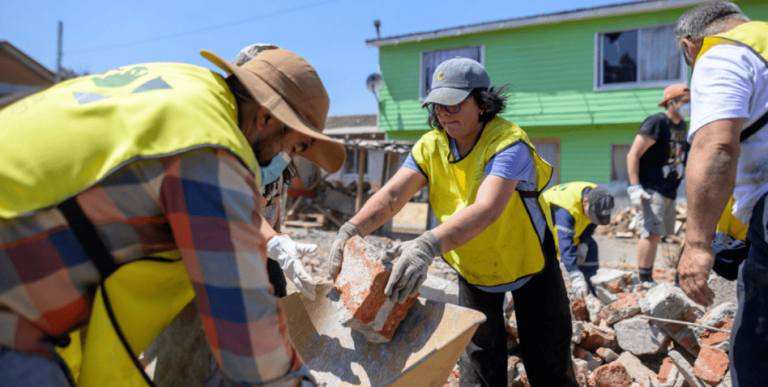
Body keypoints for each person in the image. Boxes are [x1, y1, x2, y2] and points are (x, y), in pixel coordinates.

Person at [0, 47, 346, 386]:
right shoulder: (211, 148)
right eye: (294, 147)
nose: (288, 158)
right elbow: (245, 331)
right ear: (266, 117)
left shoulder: (185, 90)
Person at [328, 58, 577, 387]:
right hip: (474, 265)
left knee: (549, 361)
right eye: (438, 105)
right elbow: (391, 197)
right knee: (479, 363)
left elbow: (487, 209)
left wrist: (426, 246)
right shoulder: (431, 146)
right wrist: (352, 229)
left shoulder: (508, 143)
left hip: (528, 259)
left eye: (455, 103)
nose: (445, 113)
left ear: (481, 102)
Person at [674, 1, 768, 387]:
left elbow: (717, 149)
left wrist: (696, 243)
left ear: (688, 46)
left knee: (755, 350)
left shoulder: (722, 54)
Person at [233, 43, 315, 298]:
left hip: (268, 244)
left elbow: (276, 195)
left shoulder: (278, 149)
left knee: (277, 293)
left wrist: (279, 239)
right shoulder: (230, 146)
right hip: (239, 244)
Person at [626, 83, 691, 284]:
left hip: (669, 189)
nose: (690, 106)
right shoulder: (657, 122)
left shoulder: (681, 126)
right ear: (671, 103)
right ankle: (644, 278)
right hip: (651, 188)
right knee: (651, 233)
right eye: (685, 102)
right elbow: (633, 155)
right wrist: (635, 187)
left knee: (659, 234)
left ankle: (649, 275)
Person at [543, 182, 615, 298]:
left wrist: (584, 243)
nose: (592, 219)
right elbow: (565, 242)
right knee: (548, 271)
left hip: (568, 233)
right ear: (585, 202)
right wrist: (574, 273)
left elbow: (590, 225)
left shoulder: (597, 197)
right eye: (592, 215)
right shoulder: (566, 208)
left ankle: (591, 293)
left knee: (591, 247)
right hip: (545, 238)